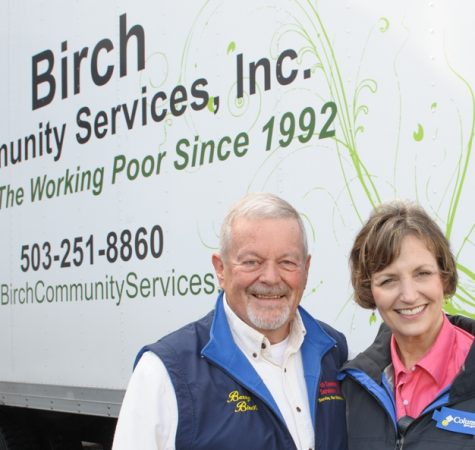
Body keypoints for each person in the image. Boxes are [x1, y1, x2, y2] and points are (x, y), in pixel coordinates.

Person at [112, 192, 348, 450]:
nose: (270, 277)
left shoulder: (332, 350)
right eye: (252, 262)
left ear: (306, 269)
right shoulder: (165, 371)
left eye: (287, 262)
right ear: (221, 269)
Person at [340, 200, 475, 449]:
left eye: (422, 274)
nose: (409, 295)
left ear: (444, 278)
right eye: (389, 280)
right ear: (370, 290)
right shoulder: (352, 388)